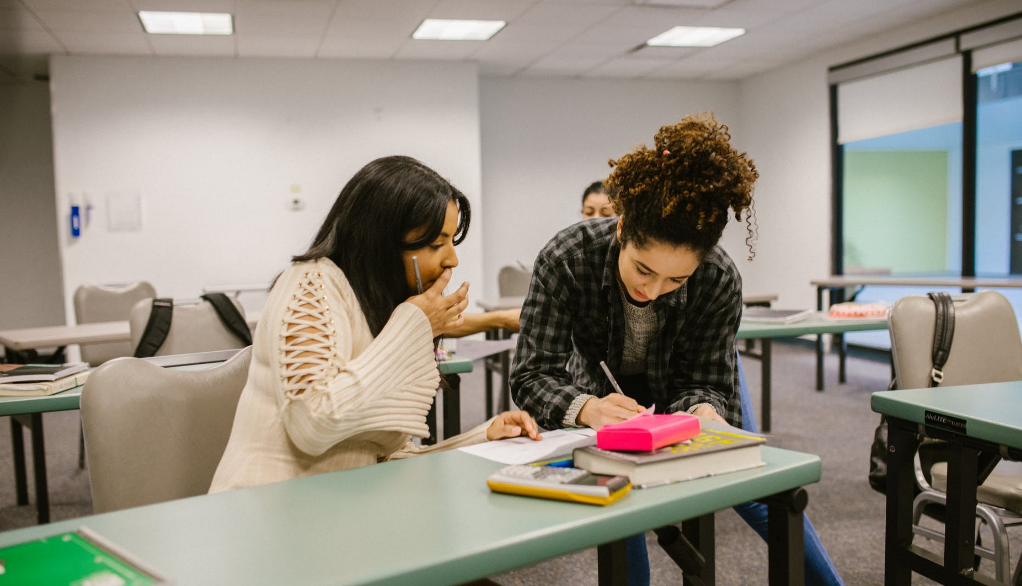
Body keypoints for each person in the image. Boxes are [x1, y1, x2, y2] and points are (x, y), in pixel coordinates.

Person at [509, 114, 843, 586]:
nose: (655, 290)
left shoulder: (720, 277)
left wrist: (705, 410)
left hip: (687, 381)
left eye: (677, 280)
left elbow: (703, 380)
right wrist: (586, 408)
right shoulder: (567, 258)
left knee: (756, 491)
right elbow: (530, 375)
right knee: (616, 495)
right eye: (643, 270)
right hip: (606, 393)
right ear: (621, 230)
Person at [210, 155, 540, 493]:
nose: (452, 259)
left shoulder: (378, 306)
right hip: (267, 511)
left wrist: (481, 436)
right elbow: (314, 423)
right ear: (381, 239)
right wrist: (414, 322)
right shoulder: (312, 283)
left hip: (332, 509)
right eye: (436, 244)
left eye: (451, 242)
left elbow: (379, 459)